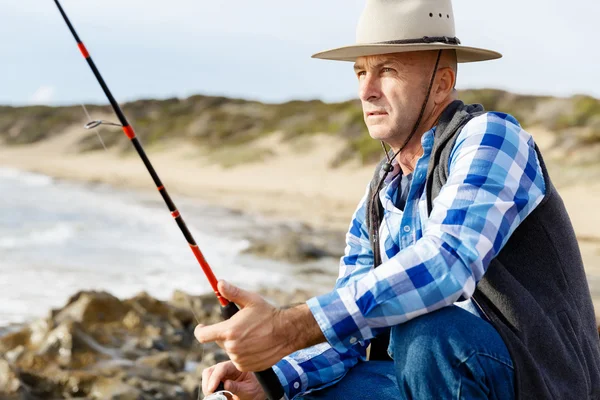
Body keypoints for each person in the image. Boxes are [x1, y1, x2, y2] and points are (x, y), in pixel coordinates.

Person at [195, 0, 600, 399]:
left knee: (427, 332)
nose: (367, 91)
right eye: (360, 72)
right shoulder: (380, 194)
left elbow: (447, 262)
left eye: (387, 70)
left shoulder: (492, 138)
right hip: (428, 377)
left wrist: (288, 327)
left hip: (539, 382)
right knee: (304, 394)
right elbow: (351, 333)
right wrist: (275, 377)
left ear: (442, 83)